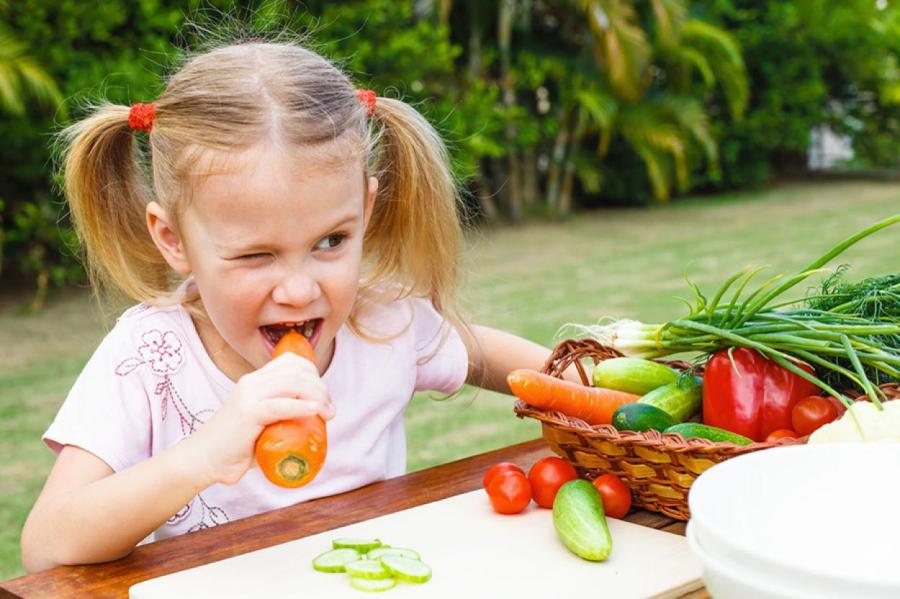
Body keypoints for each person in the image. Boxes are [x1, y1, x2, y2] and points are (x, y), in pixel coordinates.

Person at [20, 40, 564, 573]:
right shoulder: (150, 357)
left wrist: (590, 391)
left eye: (331, 241)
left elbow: (500, 362)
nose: (300, 291)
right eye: (257, 255)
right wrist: (201, 457)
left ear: (365, 210)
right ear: (174, 239)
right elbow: (47, 546)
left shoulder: (384, 323)